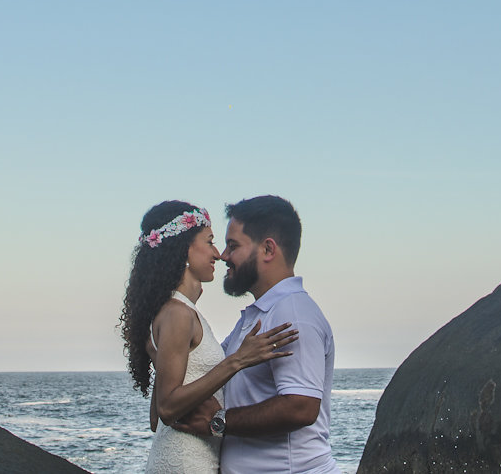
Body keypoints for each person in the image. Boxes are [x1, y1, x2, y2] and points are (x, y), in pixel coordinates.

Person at [119, 200, 299, 473]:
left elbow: (155, 419)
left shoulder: (177, 311)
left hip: (186, 458)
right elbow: (167, 410)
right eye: (210, 241)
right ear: (185, 250)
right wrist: (237, 361)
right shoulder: (178, 314)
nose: (218, 254)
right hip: (186, 462)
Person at [176, 195, 339, 474]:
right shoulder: (259, 314)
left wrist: (218, 421)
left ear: (267, 249)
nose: (223, 256)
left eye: (233, 245)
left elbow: (301, 406)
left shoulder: (293, 312)